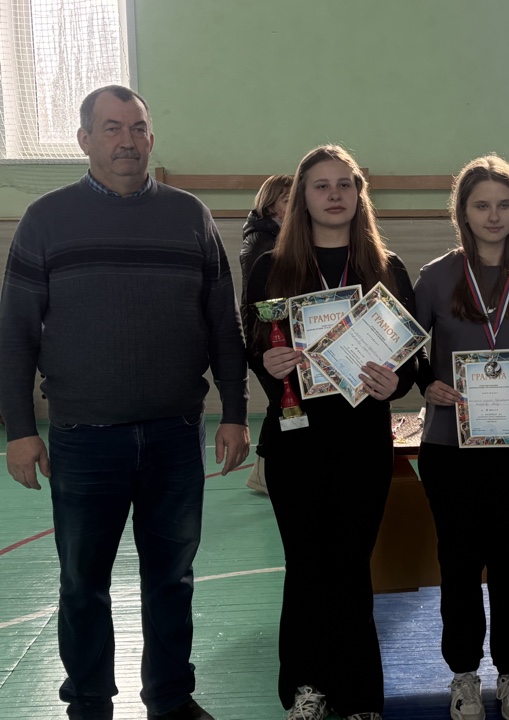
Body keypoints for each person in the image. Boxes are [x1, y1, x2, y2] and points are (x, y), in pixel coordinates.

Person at [0, 85, 250, 720]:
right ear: (85, 140)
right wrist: (20, 430)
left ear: (151, 138)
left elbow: (223, 325)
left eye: (137, 128)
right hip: (84, 438)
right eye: (111, 128)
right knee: (83, 584)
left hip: (176, 434)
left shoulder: (190, 217)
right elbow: (15, 334)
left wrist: (236, 412)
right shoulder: (46, 220)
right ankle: (88, 703)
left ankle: (170, 698)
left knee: (172, 579)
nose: (126, 141)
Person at [243, 144, 419, 720]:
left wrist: (394, 381)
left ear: (359, 195)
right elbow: (254, 345)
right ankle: (306, 688)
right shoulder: (270, 269)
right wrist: (269, 365)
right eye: (321, 185)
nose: (335, 194)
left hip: (362, 443)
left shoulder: (387, 269)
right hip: (296, 442)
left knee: (351, 568)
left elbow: (411, 360)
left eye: (346, 184)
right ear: (302, 198)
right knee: (306, 566)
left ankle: (359, 695)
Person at [413, 156, 509, 720]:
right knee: (459, 563)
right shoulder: (435, 277)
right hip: (450, 446)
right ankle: (464, 674)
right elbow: (409, 351)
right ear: (463, 212)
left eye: (503, 204)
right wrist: (427, 384)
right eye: (481, 205)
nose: (493, 216)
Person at [239, 173, 294, 495]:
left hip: (275, 338)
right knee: (282, 403)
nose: (295, 205)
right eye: (288, 200)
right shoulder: (263, 243)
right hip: (266, 339)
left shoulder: (274, 236)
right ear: (271, 204)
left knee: (283, 404)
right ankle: (263, 473)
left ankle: (263, 473)